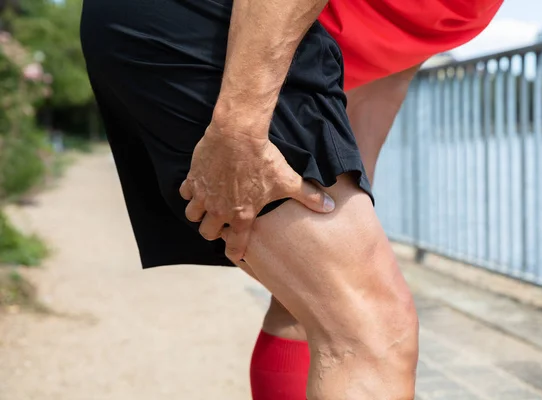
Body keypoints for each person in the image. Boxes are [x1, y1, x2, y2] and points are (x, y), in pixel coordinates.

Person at [80, 0, 502, 398]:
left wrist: (349, 204)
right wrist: (240, 129)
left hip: (233, 31)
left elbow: (380, 79)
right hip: (210, 25)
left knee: (310, 308)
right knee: (372, 332)